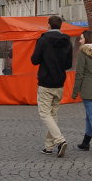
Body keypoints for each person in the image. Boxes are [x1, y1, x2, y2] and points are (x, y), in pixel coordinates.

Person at [31, 15, 72, 157]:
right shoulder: (67, 41)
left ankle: (60, 141)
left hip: (46, 81)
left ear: (48, 25)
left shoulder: (43, 40)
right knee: (53, 114)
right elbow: (68, 64)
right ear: (61, 26)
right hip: (60, 82)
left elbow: (34, 60)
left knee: (44, 114)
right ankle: (49, 147)